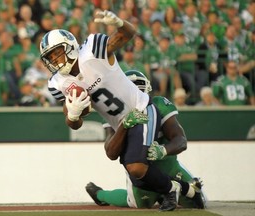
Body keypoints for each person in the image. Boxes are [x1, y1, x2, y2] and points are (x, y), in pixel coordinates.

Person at [40, 10, 201, 211]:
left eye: (57, 52)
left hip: (139, 109)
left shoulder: (91, 52)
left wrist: (120, 23)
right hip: (121, 124)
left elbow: (127, 34)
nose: (54, 60)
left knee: (135, 166)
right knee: (137, 178)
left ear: (70, 45)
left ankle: (172, 190)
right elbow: (74, 123)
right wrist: (73, 113)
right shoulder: (58, 83)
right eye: (50, 57)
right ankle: (179, 188)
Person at [85, 70, 206, 209]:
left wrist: (163, 150)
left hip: (170, 169)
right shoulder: (114, 112)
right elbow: (111, 153)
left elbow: (181, 140)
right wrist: (123, 126)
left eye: (140, 90)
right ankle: (101, 195)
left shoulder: (159, 105)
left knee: (199, 204)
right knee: (136, 203)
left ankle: (171, 191)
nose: (136, 95)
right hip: (143, 177)